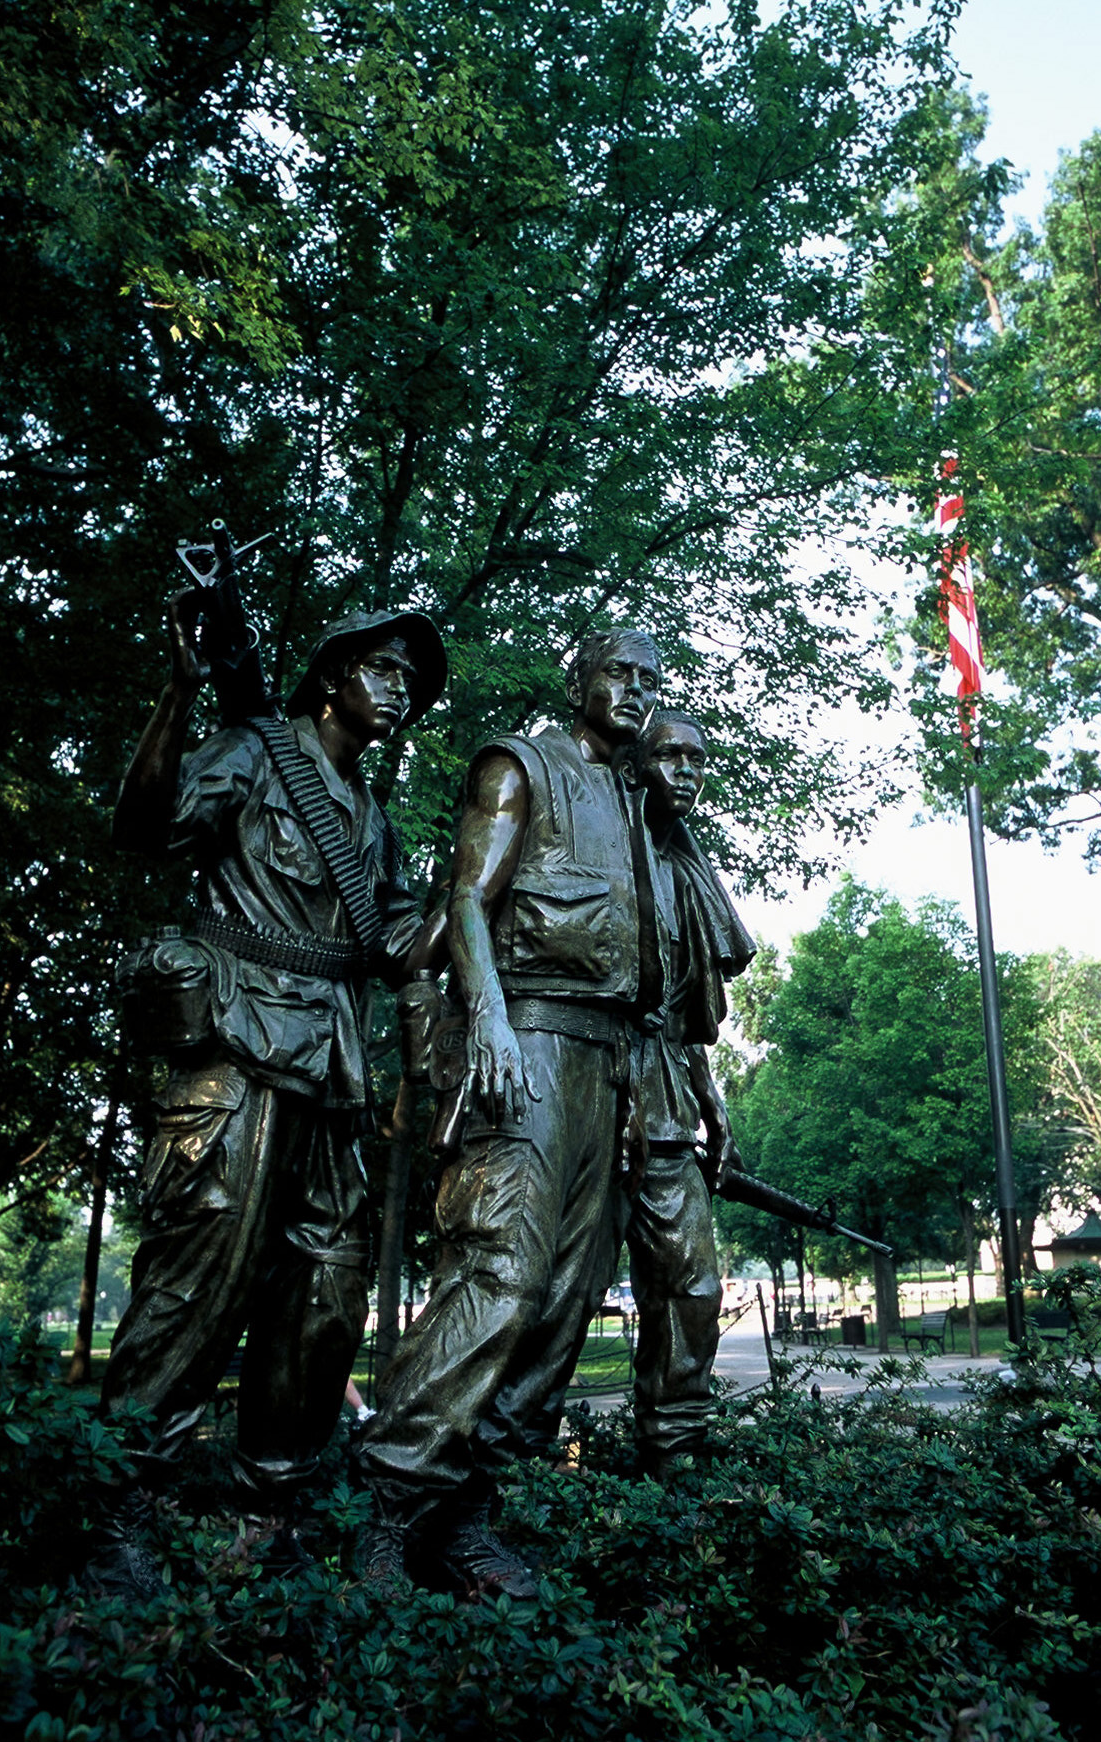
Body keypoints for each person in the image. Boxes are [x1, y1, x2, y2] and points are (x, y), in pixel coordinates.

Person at [94, 597, 446, 1593]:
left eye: (409, 681)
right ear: (331, 676)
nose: (400, 688)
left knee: (321, 1299)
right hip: (238, 1050)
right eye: (383, 668)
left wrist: (477, 888)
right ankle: (121, 1503)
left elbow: (394, 941)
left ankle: (266, 1516)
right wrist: (178, 692)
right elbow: (147, 825)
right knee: (199, 1281)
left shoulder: (372, 820)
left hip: (333, 1070)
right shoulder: (253, 750)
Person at [352, 627, 669, 1598]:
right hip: (522, 1037)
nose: (634, 689)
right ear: (576, 676)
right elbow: (466, 897)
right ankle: (386, 1517)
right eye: (618, 670)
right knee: (499, 1275)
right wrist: (483, 1013)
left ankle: (465, 1516)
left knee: (569, 1300)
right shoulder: (518, 764)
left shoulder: (635, 801)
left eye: (650, 679)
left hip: (604, 1061)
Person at [616, 709, 754, 1475]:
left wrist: (710, 1094)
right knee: (554, 1296)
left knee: (692, 1286)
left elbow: (685, 1010)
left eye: (698, 758)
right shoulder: (595, 854)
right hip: (587, 1089)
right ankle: (513, 1478)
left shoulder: (684, 872)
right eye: (670, 755)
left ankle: (675, 1455)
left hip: (667, 1095)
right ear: (636, 765)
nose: (687, 770)